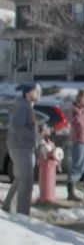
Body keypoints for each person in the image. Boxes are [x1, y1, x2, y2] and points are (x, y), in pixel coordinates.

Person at [3, 83, 42, 216]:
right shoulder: (22, 106)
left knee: (20, 178)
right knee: (27, 181)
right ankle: (23, 214)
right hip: (20, 147)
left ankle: (8, 207)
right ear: (28, 93)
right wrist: (33, 135)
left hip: (24, 146)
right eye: (35, 92)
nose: (38, 94)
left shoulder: (27, 106)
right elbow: (16, 127)